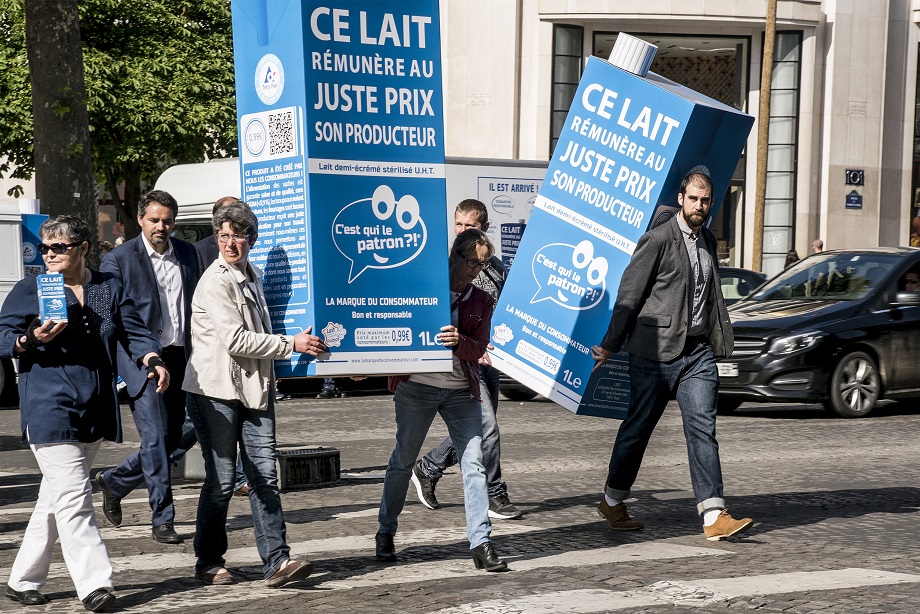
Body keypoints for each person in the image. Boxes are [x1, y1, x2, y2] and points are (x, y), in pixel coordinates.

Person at [0, 215, 166, 611]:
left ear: (84, 248)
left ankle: (22, 579)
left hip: (93, 406)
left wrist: (152, 355)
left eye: (60, 247)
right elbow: (2, 335)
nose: (51, 254)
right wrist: (26, 340)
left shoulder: (107, 288)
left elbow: (134, 330)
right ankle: (96, 585)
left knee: (56, 500)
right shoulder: (32, 289)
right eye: (45, 248)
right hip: (47, 404)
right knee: (75, 497)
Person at [590, 168, 754, 541]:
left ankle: (714, 514)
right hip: (654, 353)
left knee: (702, 429)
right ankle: (612, 500)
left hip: (697, 352)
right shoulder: (659, 238)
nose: (699, 205)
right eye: (693, 198)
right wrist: (612, 342)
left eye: (706, 200)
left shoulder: (708, 240)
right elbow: (629, 295)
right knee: (638, 429)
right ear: (681, 199)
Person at [182, 201, 325, 587]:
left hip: (256, 391)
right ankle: (208, 560)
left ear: (252, 239)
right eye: (223, 236)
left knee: (264, 476)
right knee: (223, 481)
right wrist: (290, 345)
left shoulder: (254, 276)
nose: (230, 243)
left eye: (238, 236)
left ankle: (277, 562)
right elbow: (235, 339)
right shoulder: (215, 281)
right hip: (216, 392)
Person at [376, 229, 507, 571]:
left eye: (482, 264)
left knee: (474, 463)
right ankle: (385, 531)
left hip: (461, 390)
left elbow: (479, 348)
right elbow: (391, 325)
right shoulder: (422, 287)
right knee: (403, 460)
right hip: (416, 386)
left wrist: (459, 341)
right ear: (454, 257)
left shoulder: (481, 300)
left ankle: (481, 543)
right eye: (471, 262)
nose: (475, 270)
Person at [95, 190, 199, 544]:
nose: (161, 227)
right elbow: (115, 319)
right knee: (155, 436)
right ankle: (163, 518)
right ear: (140, 219)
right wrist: (144, 356)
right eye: (154, 220)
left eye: (167, 221)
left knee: (172, 438)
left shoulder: (187, 254)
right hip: (140, 358)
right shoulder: (118, 260)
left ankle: (115, 481)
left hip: (180, 356)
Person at [411, 198, 521, 520]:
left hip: (490, 359)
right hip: (466, 361)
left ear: (484, 229)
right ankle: (494, 493)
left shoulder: (498, 267)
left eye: (469, 226)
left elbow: (502, 312)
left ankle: (429, 467)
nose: (462, 231)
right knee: (487, 428)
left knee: (476, 429)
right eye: (458, 225)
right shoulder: (448, 264)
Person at [171, 195, 248, 496]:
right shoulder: (199, 253)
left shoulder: (245, 256)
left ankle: (236, 477)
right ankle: (144, 467)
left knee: (215, 427)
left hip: (236, 362)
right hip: (209, 355)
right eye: (225, 229)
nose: (231, 240)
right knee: (196, 422)